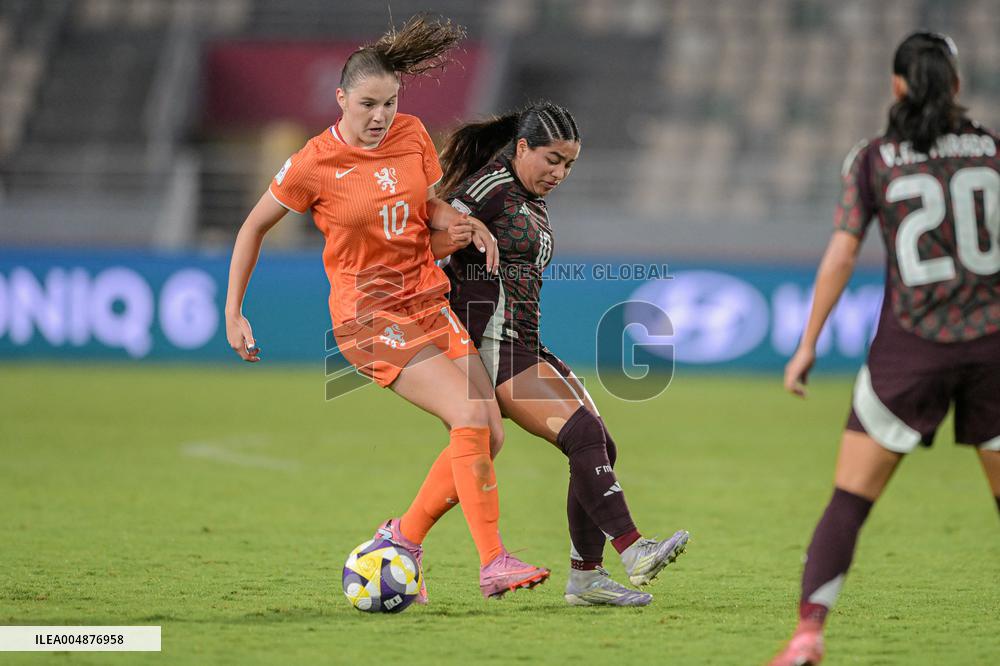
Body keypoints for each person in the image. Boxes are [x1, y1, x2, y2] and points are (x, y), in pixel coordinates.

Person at [223, 16, 551, 601]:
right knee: (469, 417)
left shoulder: (412, 135)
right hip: (370, 318)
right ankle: (493, 561)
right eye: (368, 104)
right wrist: (234, 311)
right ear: (340, 99)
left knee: (490, 433)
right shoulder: (313, 163)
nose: (380, 116)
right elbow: (252, 228)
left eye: (390, 103)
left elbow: (427, 206)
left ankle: (401, 538)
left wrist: (460, 222)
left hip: (426, 299)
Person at [390, 102, 690, 607]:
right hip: (487, 343)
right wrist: (451, 241)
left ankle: (587, 577)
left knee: (600, 445)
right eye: (552, 160)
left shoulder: (529, 197)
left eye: (569, 164)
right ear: (523, 147)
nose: (560, 173)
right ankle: (633, 549)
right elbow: (420, 239)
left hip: (523, 342)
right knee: (583, 434)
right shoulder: (489, 187)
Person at [770, 32, 1000, 665]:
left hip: (911, 351)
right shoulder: (994, 152)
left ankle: (809, 634)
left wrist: (807, 344)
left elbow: (843, 253)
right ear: (956, 85)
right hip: (994, 348)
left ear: (897, 86)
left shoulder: (874, 159)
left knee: (849, 502)